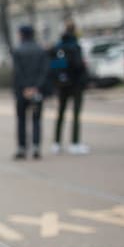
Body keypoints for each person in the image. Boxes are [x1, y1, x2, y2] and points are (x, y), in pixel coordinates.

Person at [50, 20, 90, 155]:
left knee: (60, 113)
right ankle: (75, 143)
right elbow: (79, 65)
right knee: (76, 114)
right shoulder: (75, 46)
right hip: (76, 84)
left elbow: (52, 65)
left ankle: (56, 143)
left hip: (62, 85)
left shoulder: (58, 46)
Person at [12, 24, 50, 159]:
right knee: (36, 119)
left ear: (22, 34)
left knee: (21, 120)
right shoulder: (40, 50)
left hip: (22, 91)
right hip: (37, 91)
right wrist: (36, 87)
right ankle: (36, 146)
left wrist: (25, 88)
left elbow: (18, 72)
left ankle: (22, 147)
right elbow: (44, 71)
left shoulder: (18, 51)